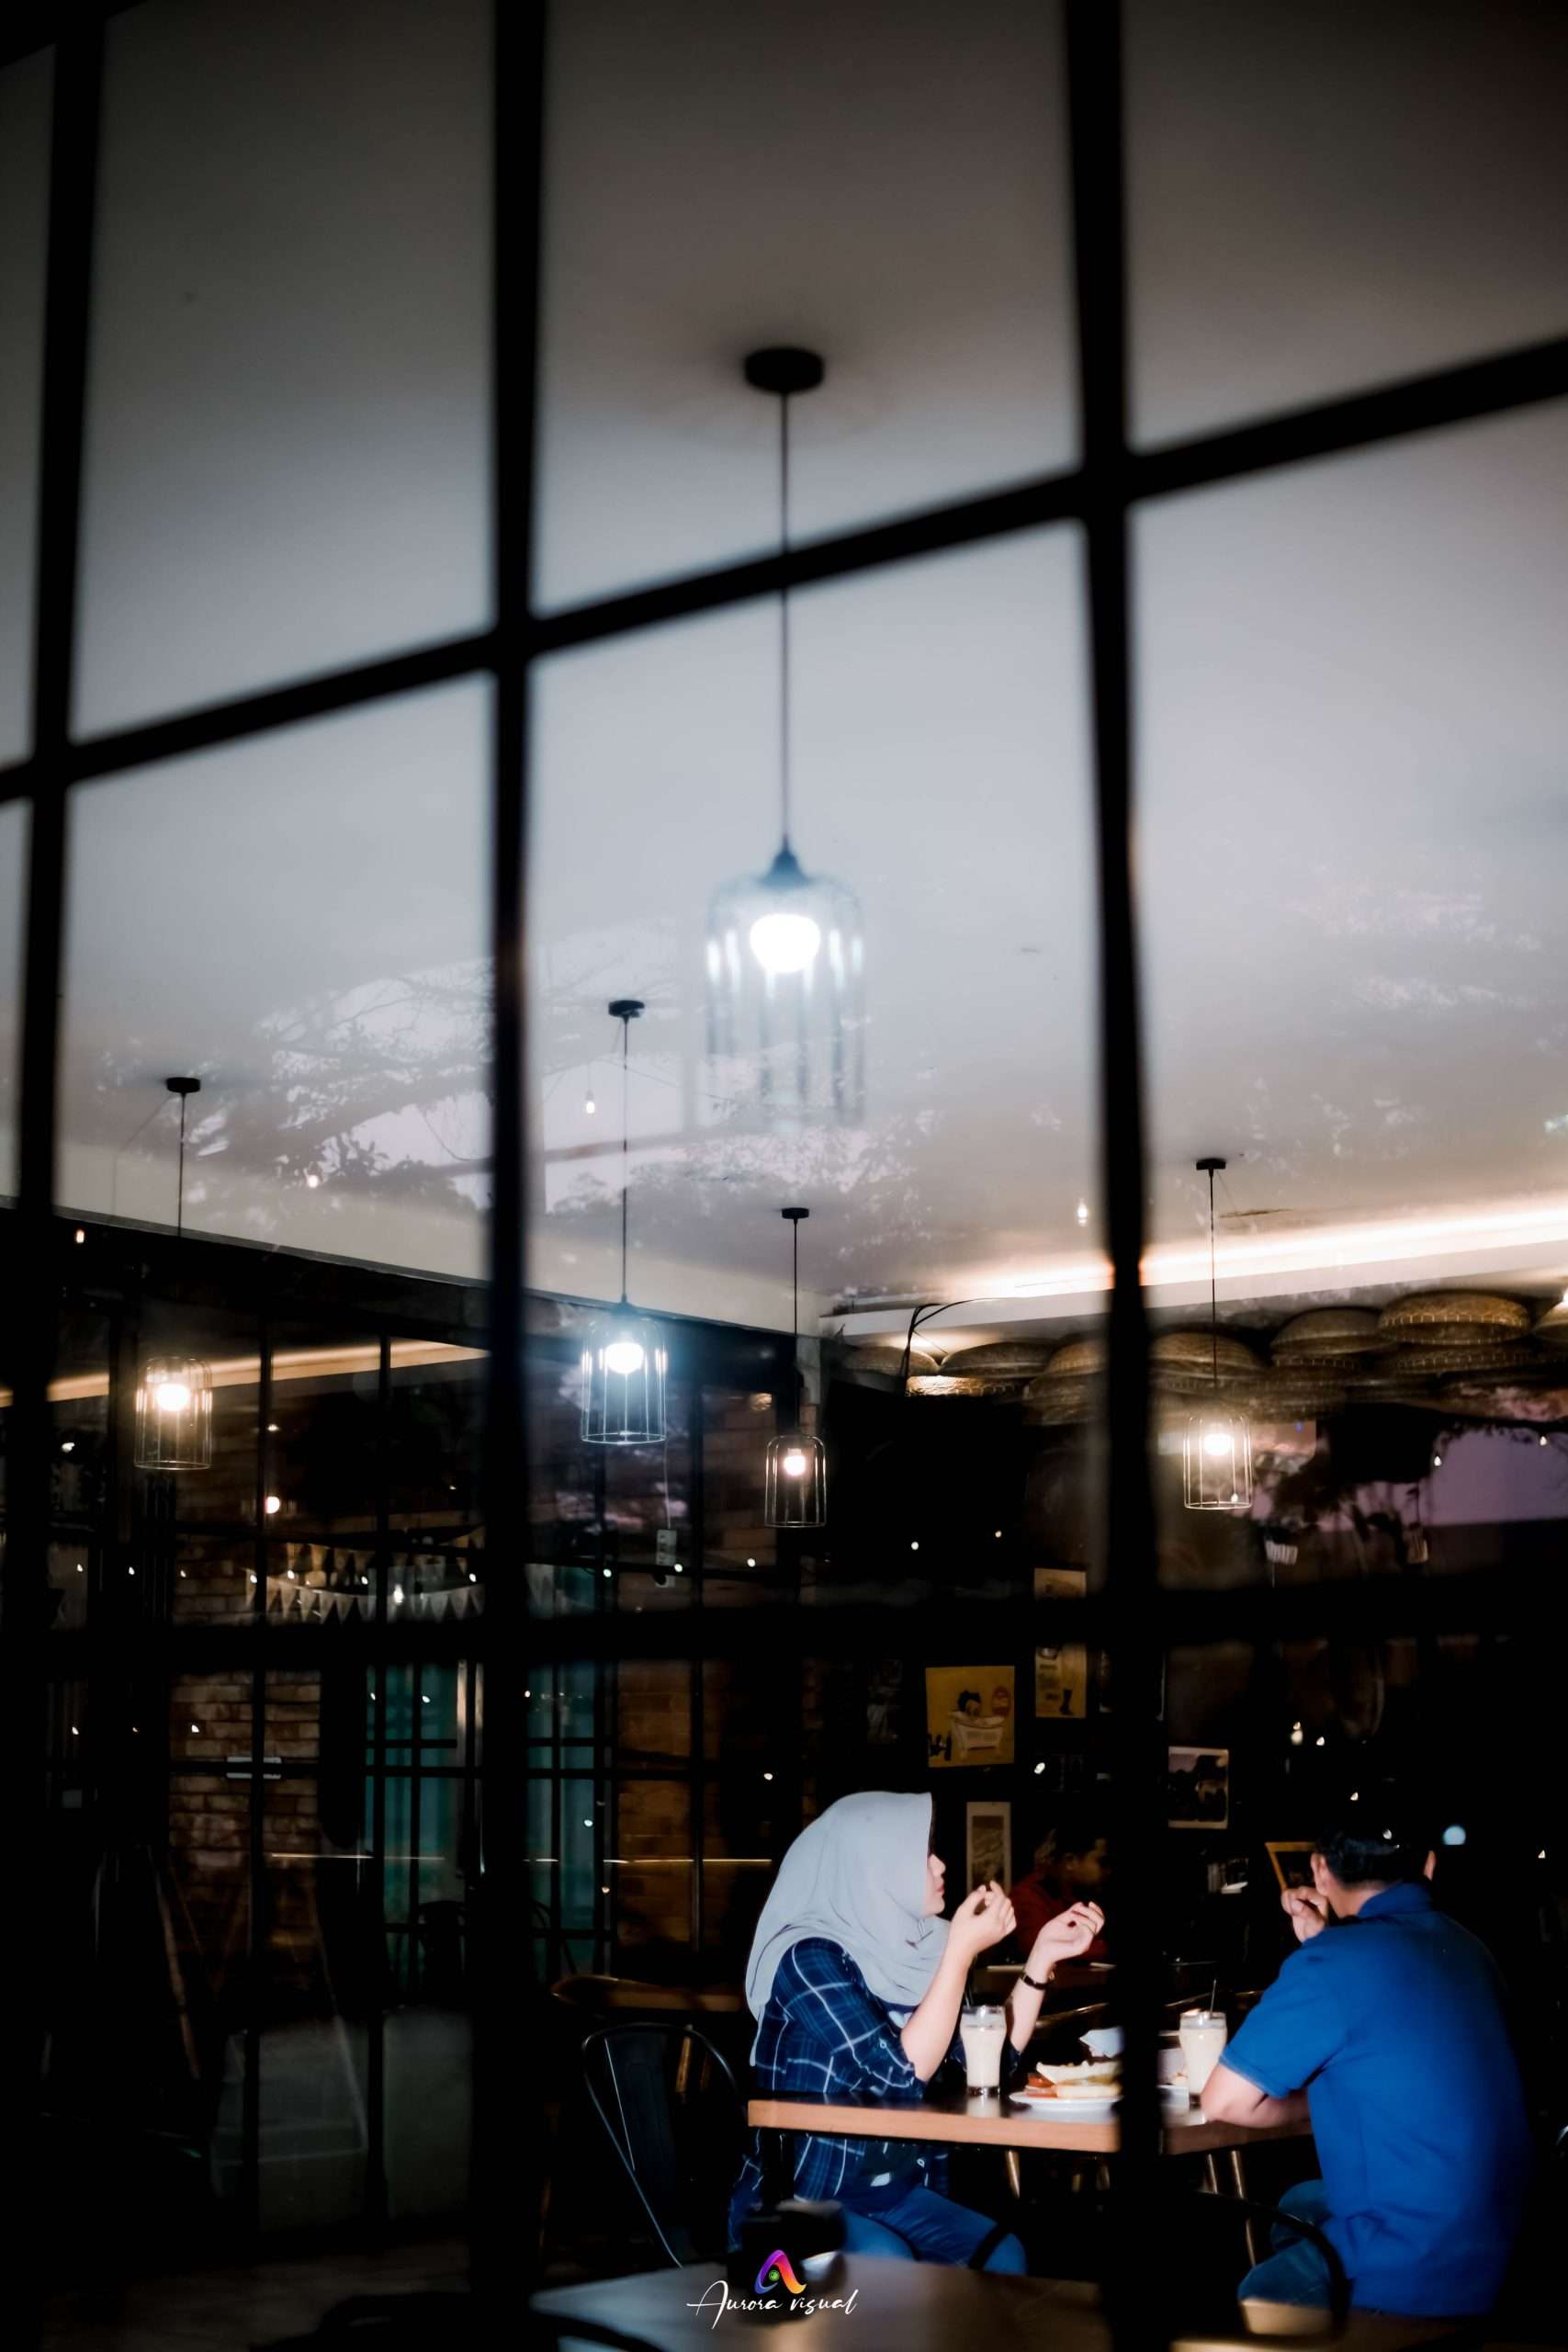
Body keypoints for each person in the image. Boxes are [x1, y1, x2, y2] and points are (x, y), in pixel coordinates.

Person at [729, 1790, 1104, 2267]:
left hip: (896, 2193)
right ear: (874, 1869)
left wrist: (1041, 1958)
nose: (939, 1865)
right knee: (888, 2261)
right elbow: (899, 2077)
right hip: (802, 2195)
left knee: (1004, 2256)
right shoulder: (807, 1956)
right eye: (922, 1855)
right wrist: (959, 1955)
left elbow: (987, 2063)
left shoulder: (925, 1948)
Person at [1201, 1795, 1533, 2317]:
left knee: (1256, 2297)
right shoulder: (1472, 1948)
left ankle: (1354, 2323)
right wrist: (1326, 1944)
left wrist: (1324, 1951)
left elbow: (1223, 2102)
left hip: (1417, 2262)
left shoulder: (1330, 1964)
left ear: (1320, 1870)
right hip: (1512, 2240)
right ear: (1429, 1865)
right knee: (1297, 2204)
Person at [1009, 1809, 1110, 1962]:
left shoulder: (1082, 1897)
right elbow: (1041, 1949)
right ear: (1070, 1862)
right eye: (1101, 1862)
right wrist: (1100, 1948)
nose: (1108, 1871)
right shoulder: (1028, 1896)